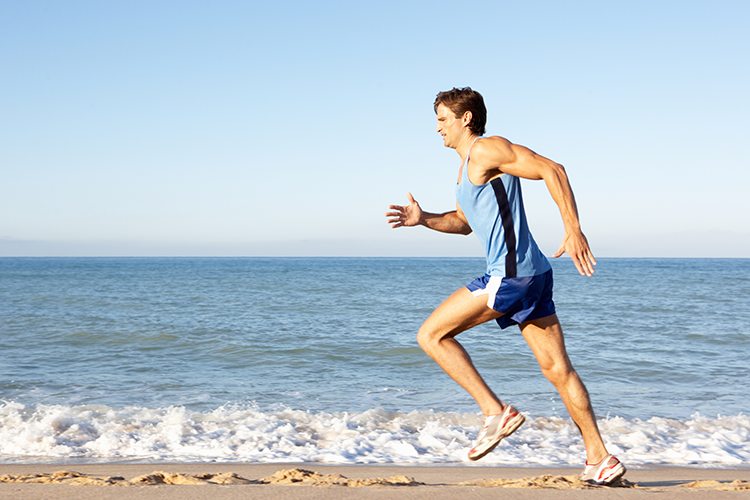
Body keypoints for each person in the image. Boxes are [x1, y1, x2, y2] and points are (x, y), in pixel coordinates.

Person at [385, 87, 625, 485]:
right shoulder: (466, 168)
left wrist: (574, 230)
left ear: (466, 118)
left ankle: (495, 412)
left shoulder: (485, 149)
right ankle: (600, 457)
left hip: (512, 275)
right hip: (531, 275)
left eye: (443, 118)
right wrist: (423, 217)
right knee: (558, 370)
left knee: (431, 335)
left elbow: (554, 169)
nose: (438, 127)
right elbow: (463, 224)